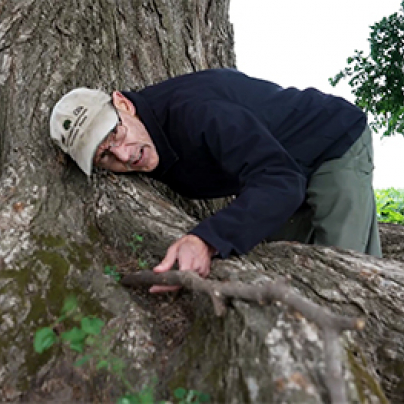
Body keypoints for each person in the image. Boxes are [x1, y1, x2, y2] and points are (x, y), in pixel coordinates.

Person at [49, 68, 382, 293]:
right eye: (105, 157)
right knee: (279, 268)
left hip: (331, 142)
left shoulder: (195, 112)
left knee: (347, 277)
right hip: (282, 168)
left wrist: (205, 239)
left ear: (124, 104)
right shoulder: (149, 137)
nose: (123, 155)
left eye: (116, 133)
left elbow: (280, 180)